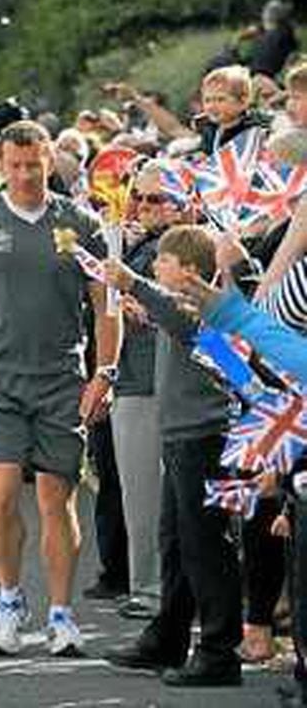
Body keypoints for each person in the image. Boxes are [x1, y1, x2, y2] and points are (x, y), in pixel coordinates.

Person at [0, 120, 120, 657]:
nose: (23, 175)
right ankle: (10, 601)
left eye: (33, 165)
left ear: (49, 162)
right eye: (13, 166)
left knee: (54, 500)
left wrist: (103, 373)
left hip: (62, 380)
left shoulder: (78, 222)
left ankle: (61, 615)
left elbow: (106, 306)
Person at [102, 225, 245, 687]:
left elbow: (185, 322)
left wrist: (134, 284)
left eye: (162, 260)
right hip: (183, 436)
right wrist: (146, 311)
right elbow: (182, 332)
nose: (155, 266)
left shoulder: (198, 301)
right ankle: (169, 635)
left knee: (206, 547)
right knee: (177, 544)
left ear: (188, 270)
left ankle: (219, 649)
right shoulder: (182, 304)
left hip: (202, 437)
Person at [109, 162, 182, 622]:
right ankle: (148, 586)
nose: (142, 206)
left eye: (154, 199)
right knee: (139, 493)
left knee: (149, 493)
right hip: (133, 374)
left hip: (159, 381)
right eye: (138, 196)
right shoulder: (140, 241)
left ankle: (153, 591)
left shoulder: (186, 245)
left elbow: (192, 311)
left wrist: (143, 305)